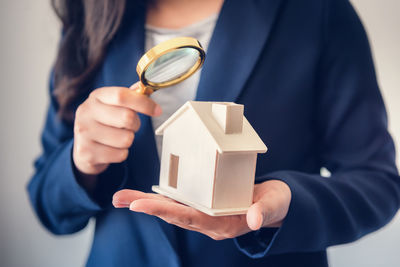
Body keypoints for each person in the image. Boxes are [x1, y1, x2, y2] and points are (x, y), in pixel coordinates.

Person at [27, 0, 400, 266]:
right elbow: (48, 204)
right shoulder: (88, 18)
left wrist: (287, 202)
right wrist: (80, 163)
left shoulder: (317, 11)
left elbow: (378, 183)